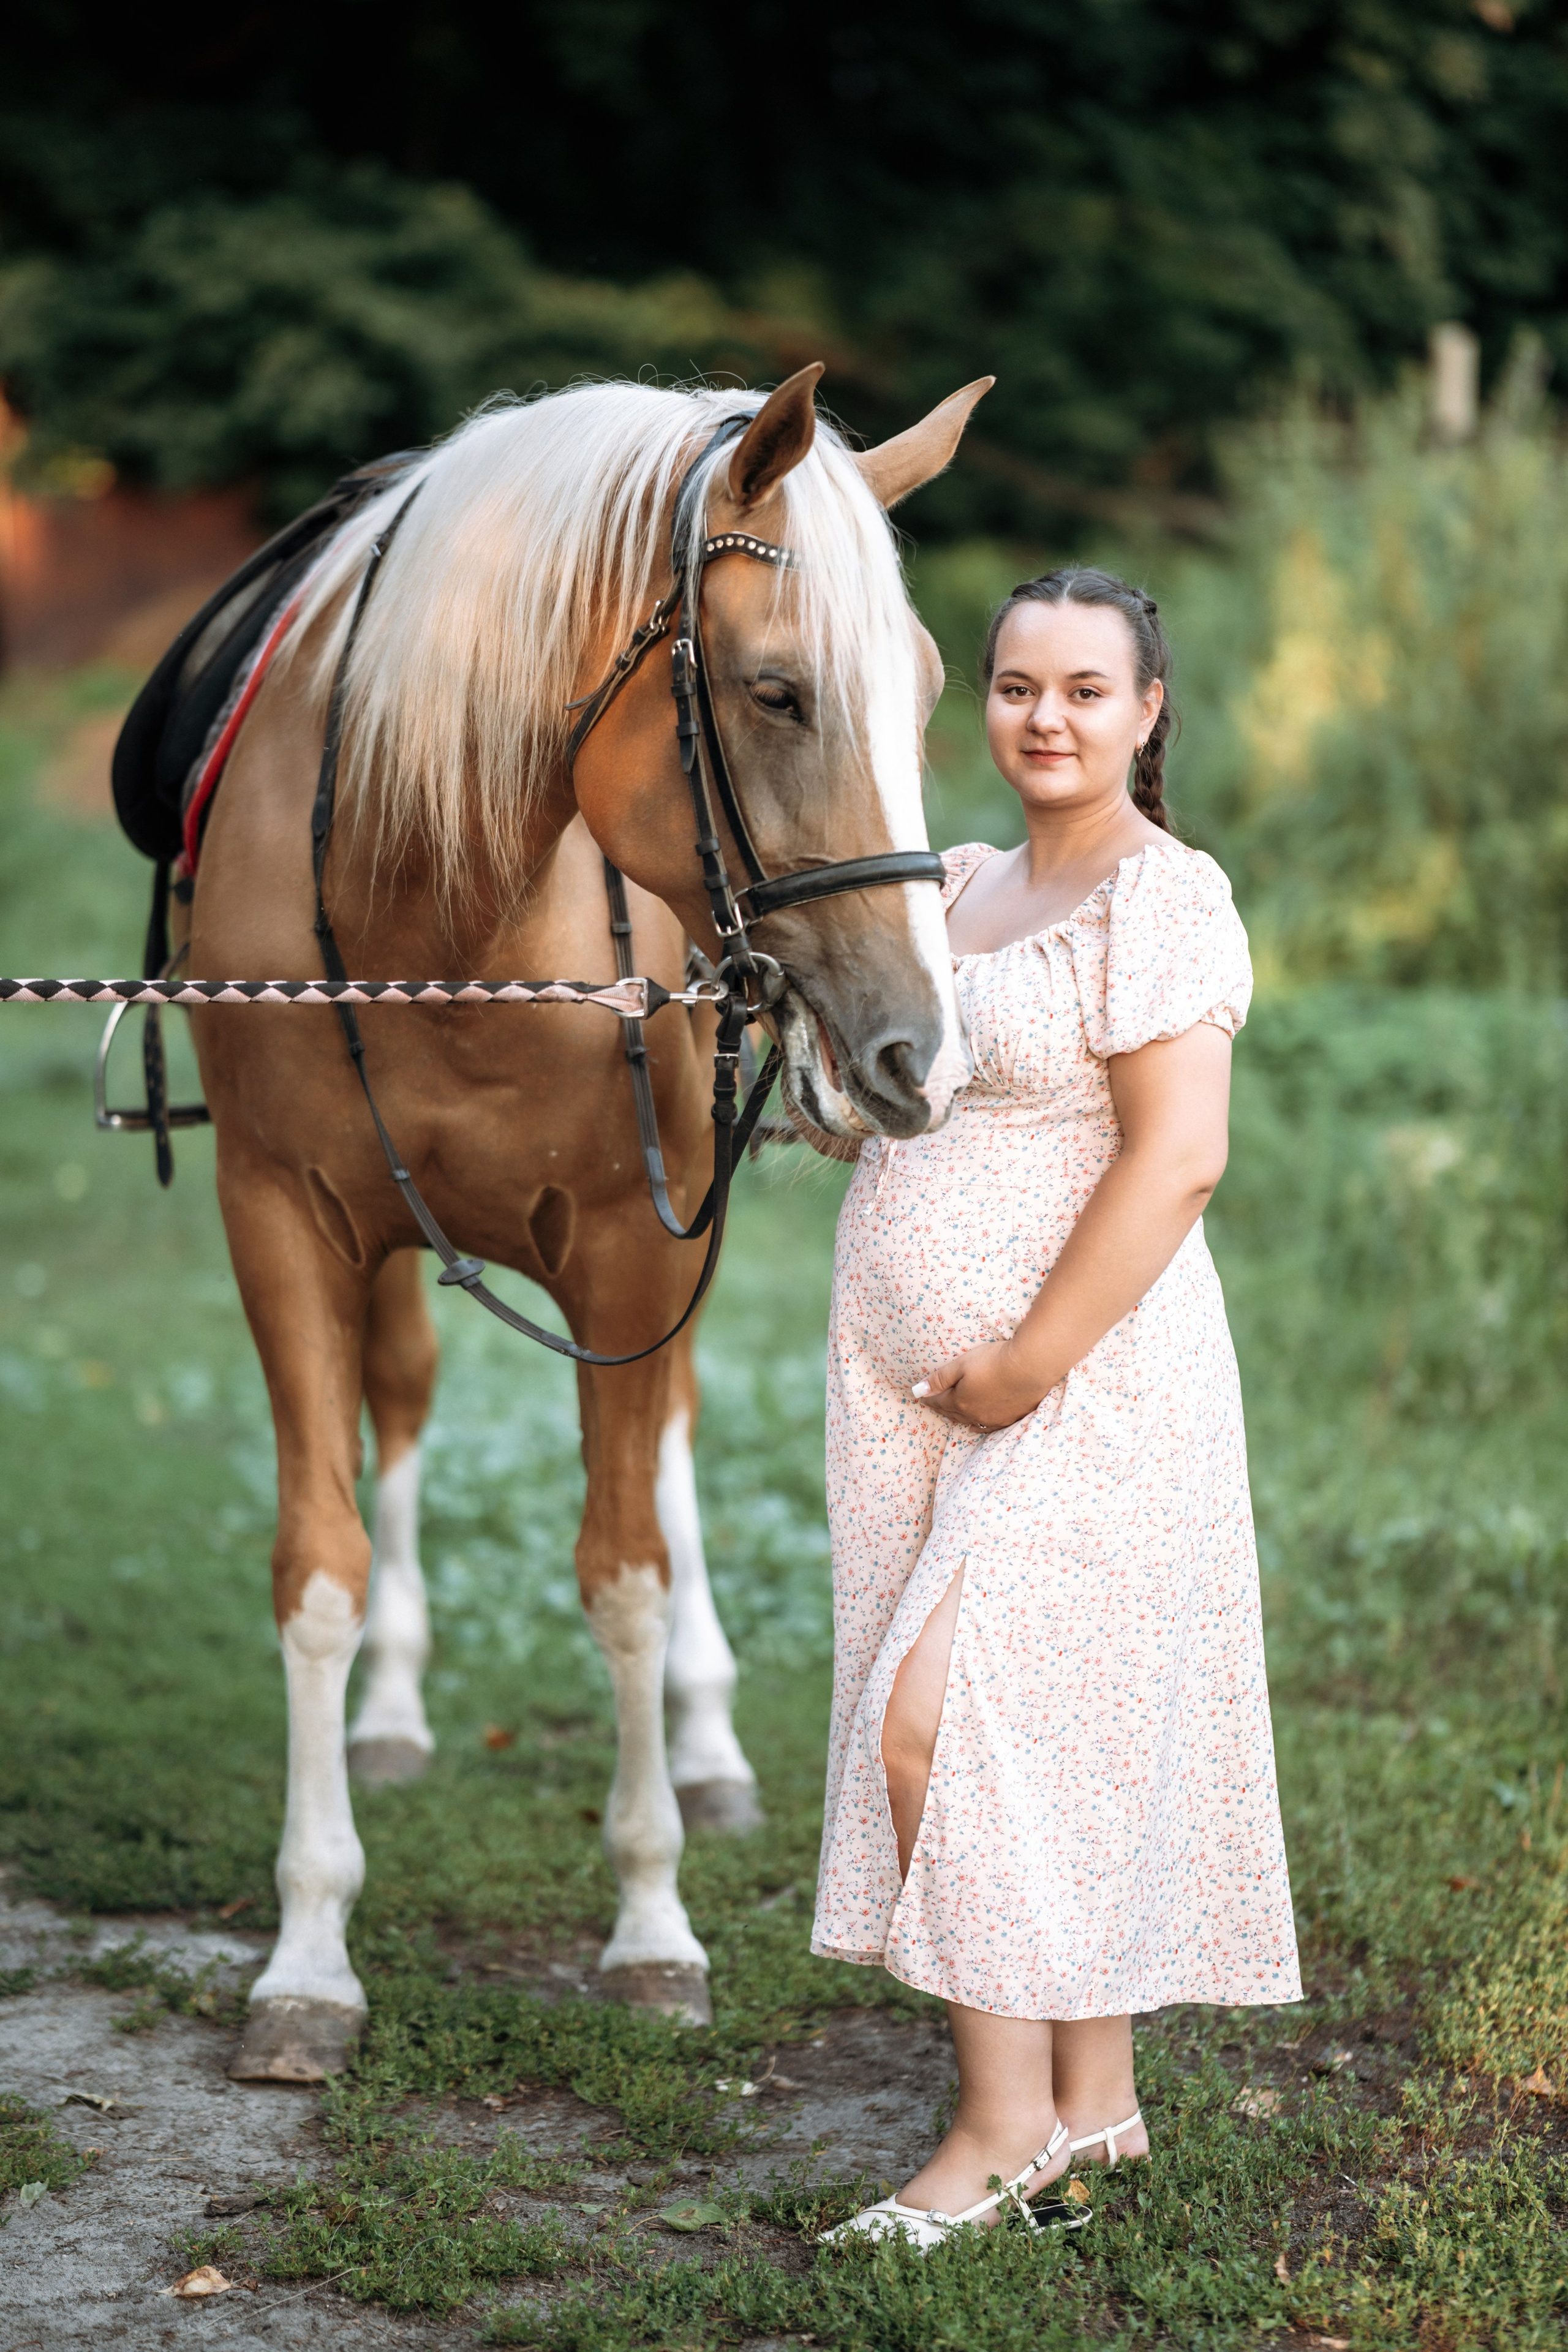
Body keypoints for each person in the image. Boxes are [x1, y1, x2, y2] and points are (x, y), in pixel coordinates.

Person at [810, 567, 1300, 2246]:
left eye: (1086, 690)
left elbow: (1181, 1159)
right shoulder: (949, 887)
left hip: (1089, 1383)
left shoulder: (1163, 899)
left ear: (1148, 711)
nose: (1045, 717)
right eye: (1018, 686)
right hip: (906, 1404)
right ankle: (1097, 2110)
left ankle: (995, 2132)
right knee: (1047, 1734)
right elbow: (876, 1098)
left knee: (936, 1722)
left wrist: (1022, 1365)